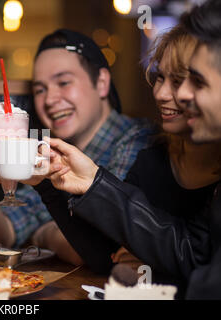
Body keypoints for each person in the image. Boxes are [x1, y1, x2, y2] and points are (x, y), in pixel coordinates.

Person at [40, 0, 221, 298]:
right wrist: (52, 185)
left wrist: (154, 268)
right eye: (159, 77)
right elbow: (105, 256)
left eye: (189, 81)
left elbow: (194, 263)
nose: (163, 94)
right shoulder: (152, 157)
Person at [0, 29, 153, 265]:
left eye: (63, 82)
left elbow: (105, 247)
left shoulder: (138, 140)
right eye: (40, 89)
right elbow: (3, 235)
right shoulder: (50, 151)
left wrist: (44, 235)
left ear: (101, 83)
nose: (50, 99)